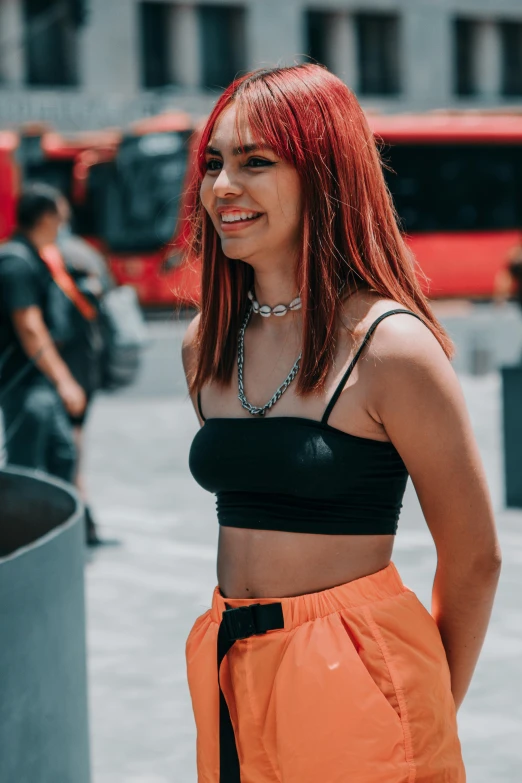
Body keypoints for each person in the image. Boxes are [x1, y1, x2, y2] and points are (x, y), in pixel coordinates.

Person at [181, 65, 501, 782]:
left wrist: (419, 706)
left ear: (322, 173)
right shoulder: (204, 344)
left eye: (254, 161)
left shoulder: (392, 347)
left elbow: (476, 556)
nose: (222, 187)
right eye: (213, 163)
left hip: (359, 664)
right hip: (233, 660)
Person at [0, 183, 85, 484]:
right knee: (25, 471)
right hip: (23, 385)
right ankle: (20, 531)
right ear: (47, 218)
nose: (64, 223)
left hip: (40, 383)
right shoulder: (15, 262)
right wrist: (65, 381)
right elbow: (29, 327)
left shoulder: (32, 257)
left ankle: (58, 528)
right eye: (62, 215)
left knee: (61, 457)